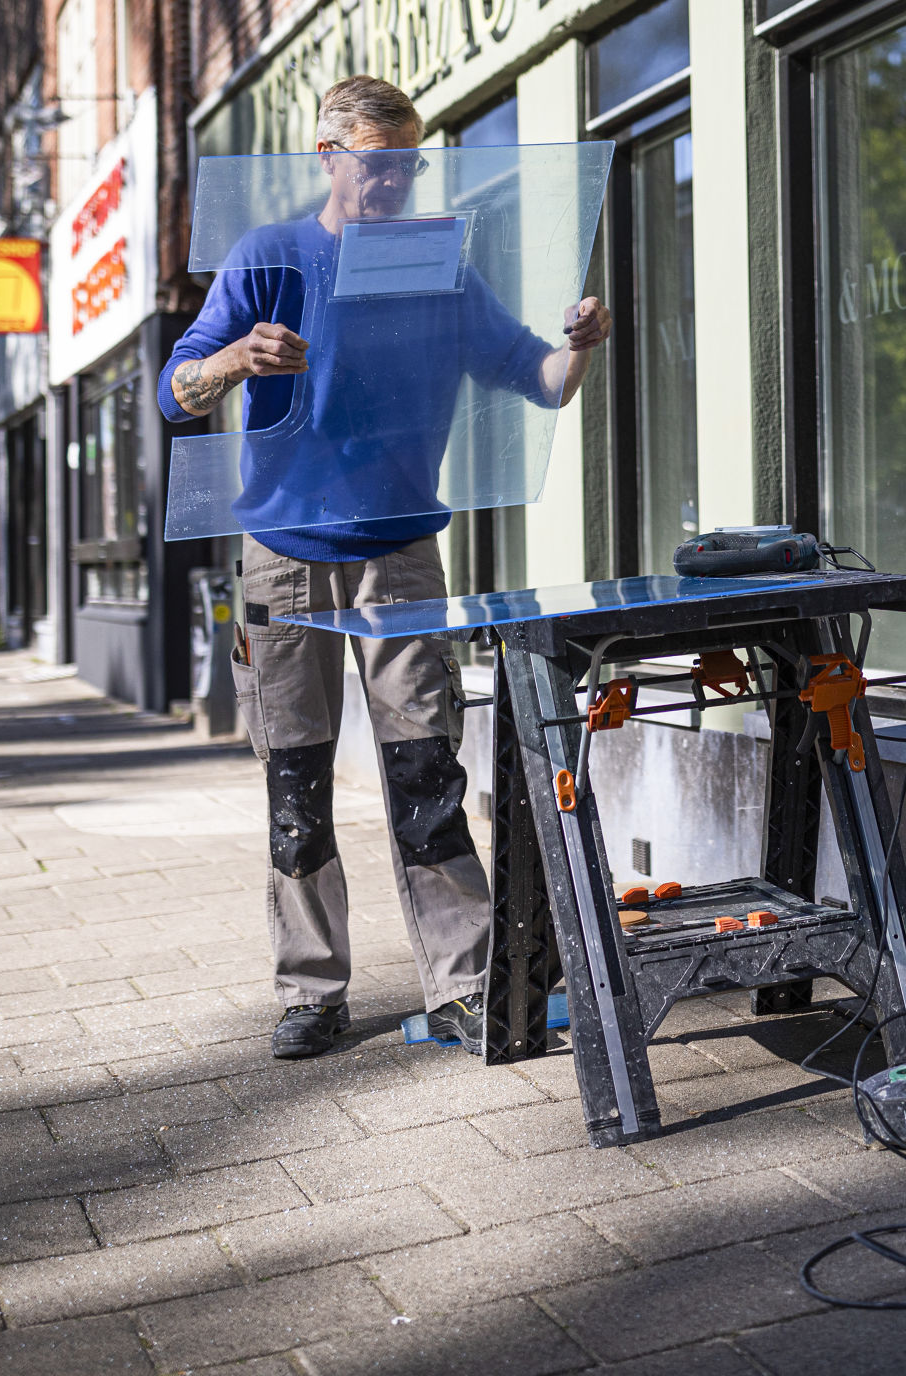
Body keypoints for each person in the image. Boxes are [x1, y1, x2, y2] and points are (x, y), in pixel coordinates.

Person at [161, 76, 611, 1061]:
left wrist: (579, 348)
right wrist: (238, 356)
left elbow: (532, 378)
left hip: (400, 549)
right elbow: (175, 392)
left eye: (409, 164)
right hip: (280, 557)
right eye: (378, 166)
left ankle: (465, 981)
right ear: (327, 157)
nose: (397, 184)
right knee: (296, 781)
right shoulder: (266, 255)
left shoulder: (431, 258)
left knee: (425, 772)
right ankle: (310, 991)